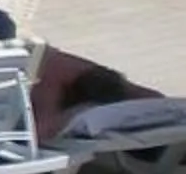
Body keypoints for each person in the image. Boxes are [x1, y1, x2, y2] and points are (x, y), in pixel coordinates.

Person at [29, 47, 165, 142]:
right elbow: (41, 134)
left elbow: (154, 98)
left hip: (42, 64)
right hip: (35, 69)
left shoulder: (82, 70)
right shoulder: (51, 84)